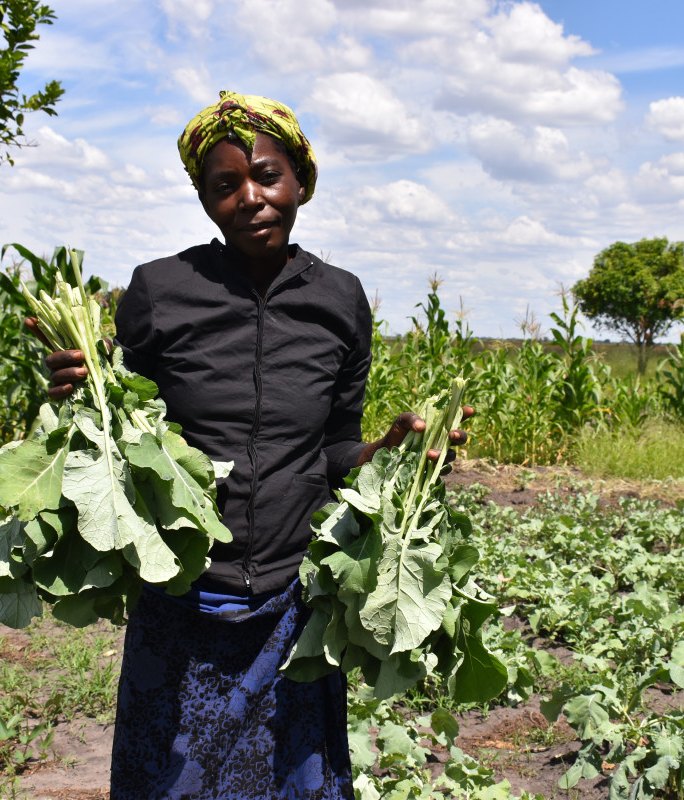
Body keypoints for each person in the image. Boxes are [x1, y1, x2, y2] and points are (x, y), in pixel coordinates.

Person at [32, 91, 470, 800]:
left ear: (300, 179)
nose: (250, 198)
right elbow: (127, 427)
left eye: (266, 176)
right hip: (182, 596)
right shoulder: (160, 290)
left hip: (292, 605)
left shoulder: (339, 301)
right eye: (225, 185)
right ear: (204, 199)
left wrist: (387, 452)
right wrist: (83, 387)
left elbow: (333, 453)